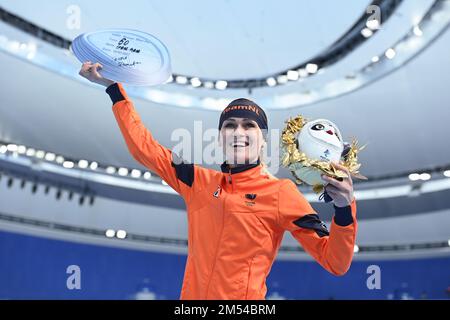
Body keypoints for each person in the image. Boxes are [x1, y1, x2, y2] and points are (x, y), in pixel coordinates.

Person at [79, 62, 358, 300]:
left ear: (262, 140)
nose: (239, 131)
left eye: (249, 125)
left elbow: (335, 262)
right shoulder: (197, 181)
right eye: (230, 125)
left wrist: (344, 210)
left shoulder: (281, 193)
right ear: (220, 137)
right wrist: (114, 89)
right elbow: (145, 148)